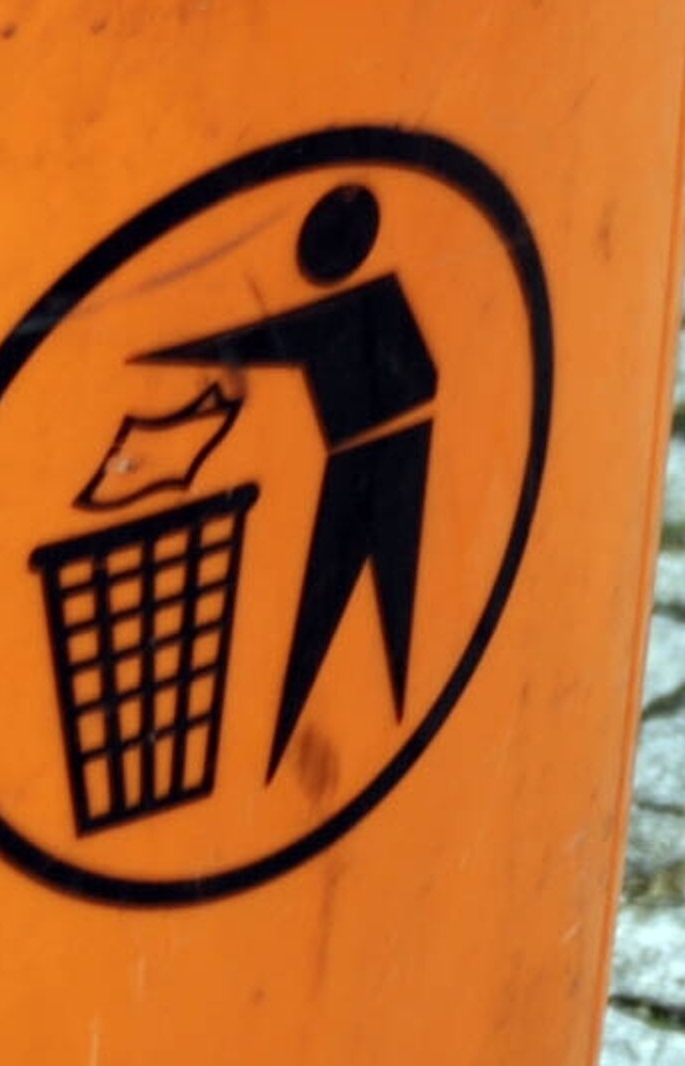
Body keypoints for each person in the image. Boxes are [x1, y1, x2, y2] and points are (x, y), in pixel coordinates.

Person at [135, 183, 436, 781]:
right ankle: (319, 743)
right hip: (380, 455)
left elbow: (270, 341)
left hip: (368, 463)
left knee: (337, 623)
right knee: (364, 621)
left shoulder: (366, 310)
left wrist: (172, 352)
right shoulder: (382, 305)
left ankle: (298, 752)